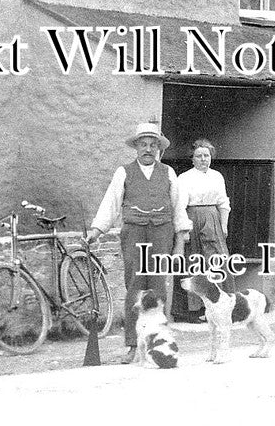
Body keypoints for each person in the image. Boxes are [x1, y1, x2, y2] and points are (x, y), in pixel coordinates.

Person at [86, 122, 191, 363]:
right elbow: (111, 203)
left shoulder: (168, 173)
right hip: (133, 233)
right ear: (136, 147)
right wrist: (96, 230)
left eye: (152, 145)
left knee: (158, 287)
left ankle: (158, 342)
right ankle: (133, 345)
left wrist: (179, 243)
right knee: (135, 286)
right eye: (143, 144)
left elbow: (178, 208)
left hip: (161, 233)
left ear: (158, 149)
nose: (148, 149)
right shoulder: (124, 172)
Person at [175, 138, 232, 323]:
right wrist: (184, 230)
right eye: (198, 156)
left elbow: (223, 203)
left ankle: (221, 305)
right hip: (193, 219)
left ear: (211, 157)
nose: (203, 159)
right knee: (195, 262)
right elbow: (180, 206)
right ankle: (194, 310)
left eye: (206, 155)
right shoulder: (184, 178)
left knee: (216, 260)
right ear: (192, 158)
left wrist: (223, 225)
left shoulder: (217, 176)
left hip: (213, 219)